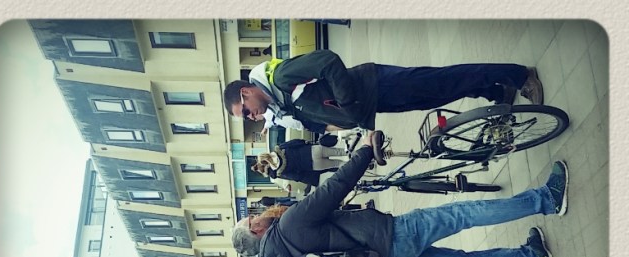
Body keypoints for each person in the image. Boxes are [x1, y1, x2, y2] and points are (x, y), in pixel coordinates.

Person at [231, 131, 569, 257]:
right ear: (255, 231)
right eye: (252, 219)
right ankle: (545, 199)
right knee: (460, 215)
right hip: (392, 237)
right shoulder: (288, 225)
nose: (257, 216)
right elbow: (335, 187)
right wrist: (365, 151)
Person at [223, 50, 544, 134]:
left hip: (377, 83)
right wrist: (351, 125)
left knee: (446, 79)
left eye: (245, 110)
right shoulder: (281, 107)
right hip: (376, 103)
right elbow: (319, 122)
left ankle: (519, 75)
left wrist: (348, 104)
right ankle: (494, 91)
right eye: (246, 118)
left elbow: (327, 61)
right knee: (437, 96)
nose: (251, 116)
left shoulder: (280, 77)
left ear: (247, 91)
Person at [252, 138, 349, 188]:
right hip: (311, 150)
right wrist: (305, 142)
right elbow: (295, 142)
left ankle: (355, 164)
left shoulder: (280, 172)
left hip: (312, 165)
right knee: (340, 151)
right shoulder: (280, 148)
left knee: (337, 164)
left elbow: (297, 177)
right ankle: (355, 152)